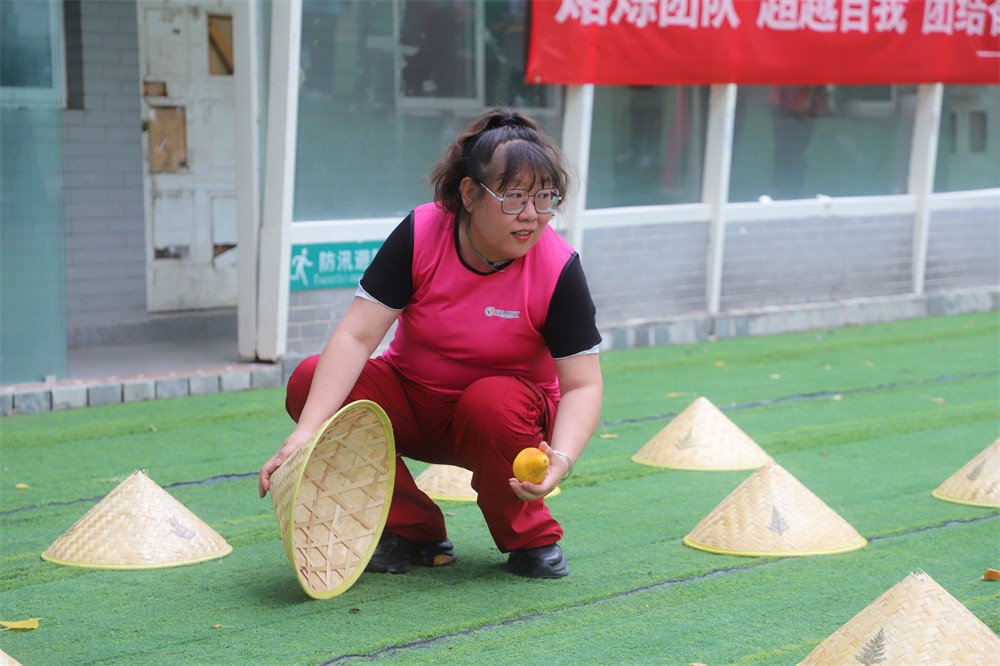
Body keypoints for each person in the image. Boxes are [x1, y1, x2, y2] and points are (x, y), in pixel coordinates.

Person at [258, 108, 604, 579]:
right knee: (308, 381)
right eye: (514, 197)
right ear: (469, 194)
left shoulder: (558, 267)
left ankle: (530, 537)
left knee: (492, 401)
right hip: (413, 402)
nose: (531, 215)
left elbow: (583, 385)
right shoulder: (422, 232)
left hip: (503, 422)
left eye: (545, 198)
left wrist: (561, 458)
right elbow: (357, 335)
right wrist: (306, 432)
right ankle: (413, 530)